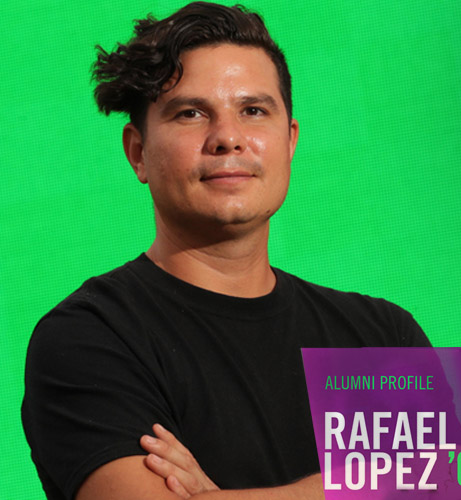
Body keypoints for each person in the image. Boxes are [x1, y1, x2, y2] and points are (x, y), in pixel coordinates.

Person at [21, 2, 431, 500]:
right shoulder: (90, 339)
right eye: (191, 113)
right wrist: (372, 484)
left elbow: (459, 485)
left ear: (290, 141)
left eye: (253, 111)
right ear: (137, 152)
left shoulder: (382, 338)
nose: (228, 138)